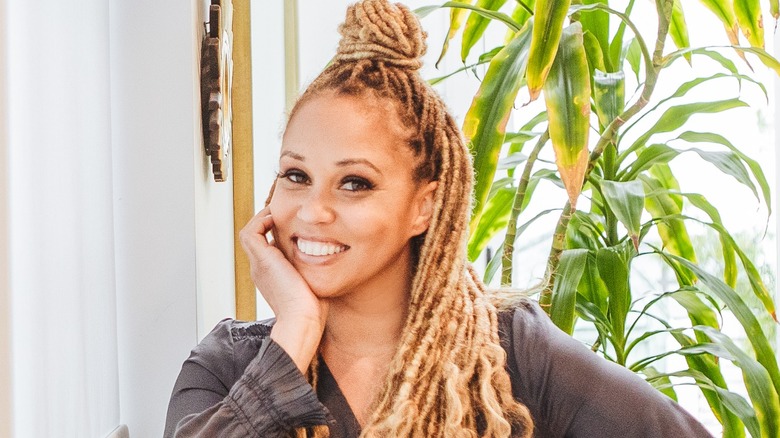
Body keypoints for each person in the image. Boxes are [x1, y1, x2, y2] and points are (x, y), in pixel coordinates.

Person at [164, 1, 713, 436]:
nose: (312, 210)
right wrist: (296, 332)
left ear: (423, 206)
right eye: (296, 175)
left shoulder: (511, 352)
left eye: (355, 183)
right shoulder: (226, 366)